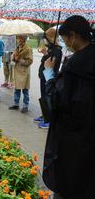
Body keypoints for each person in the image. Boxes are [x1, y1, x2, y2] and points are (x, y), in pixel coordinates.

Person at [42, 15, 95, 199]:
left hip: (71, 140)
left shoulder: (74, 65)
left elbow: (56, 102)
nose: (65, 42)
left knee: (68, 184)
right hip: (90, 136)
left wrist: (49, 76)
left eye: (65, 39)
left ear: (73, 35)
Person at [34, 28, 62, 129]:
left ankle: (49, 120)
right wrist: (45, 54)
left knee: (48, 97)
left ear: (50, 38)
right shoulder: (50, 48)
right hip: (43, 76)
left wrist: (46, 55)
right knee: (43, 96)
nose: (44, 40)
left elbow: (51, 64)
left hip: (49, 77)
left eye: (46, 37)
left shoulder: (57, 50)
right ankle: (44, 115)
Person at [9, 35, 33, 113]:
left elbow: (29, 61)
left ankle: (25, 105)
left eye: (18, 38)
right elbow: (14, 58)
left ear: (23, 39)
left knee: (25, 89)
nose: (17, 40)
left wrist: (20, 60)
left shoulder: (28, 49)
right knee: (17, 88)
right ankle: (16, 104)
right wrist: (14, 58)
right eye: (17, 38)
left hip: (24, 72)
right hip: (17, 70)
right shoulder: (17, 47)